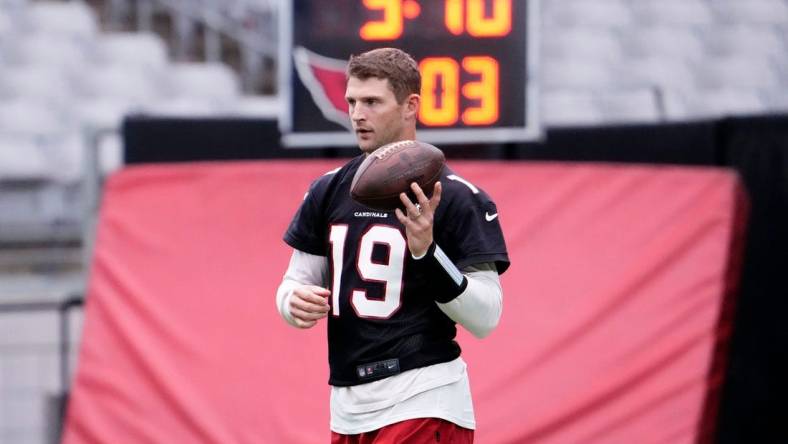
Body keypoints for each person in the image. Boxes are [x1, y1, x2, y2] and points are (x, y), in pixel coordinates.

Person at [276, 47, 509, 443]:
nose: (356, 114)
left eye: (371, 102)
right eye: (351, 101)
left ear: (410, 105)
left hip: (423, 398)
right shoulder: (328, 189)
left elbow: (486, 318)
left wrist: (428, 251)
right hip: (348, 405)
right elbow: (294, 282)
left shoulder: (455, 196)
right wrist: (292, 302)